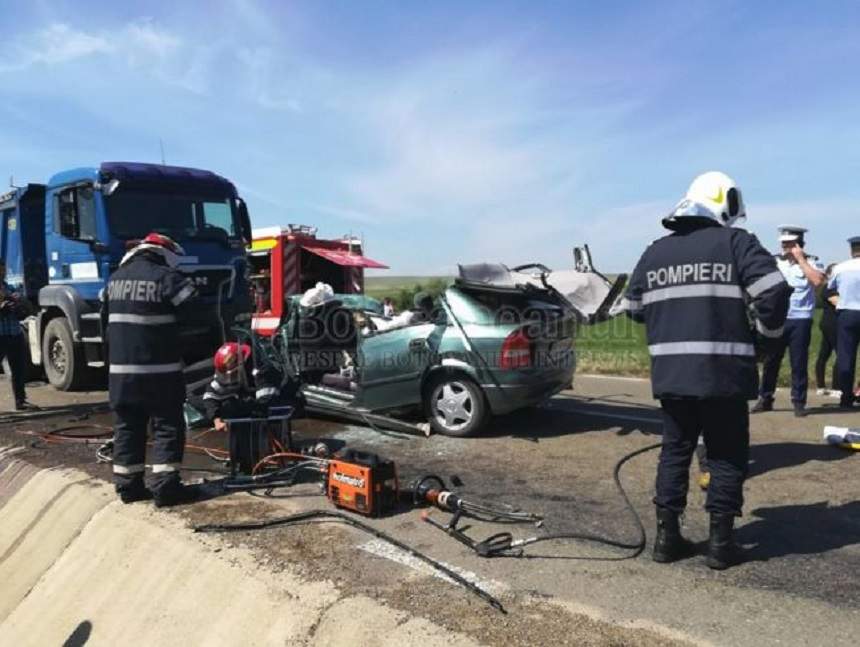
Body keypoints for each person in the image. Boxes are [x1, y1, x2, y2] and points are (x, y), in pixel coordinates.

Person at [626, 171, 790, 570]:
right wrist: (766, 341)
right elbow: (774, 291)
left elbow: (632, 309)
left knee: (675, 452)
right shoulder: (736, 242)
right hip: (725, 376)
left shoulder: (655, 251)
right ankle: (721, 544)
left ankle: (667, 540)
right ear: (724, 202)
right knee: (726, 456)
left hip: (672, 377)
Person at [103, 233, 198, 506]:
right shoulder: (166, 277)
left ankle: (128, 486)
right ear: (165, 254)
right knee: (167, 425)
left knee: (127, 426)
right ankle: (166, 488)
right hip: (160, 372)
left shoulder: (115, 280)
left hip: (121, 374)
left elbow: (104, 326)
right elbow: (195, 312)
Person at [751, 226, 825, 417]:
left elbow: (817, 282)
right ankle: (765, 398)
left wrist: (800, 260)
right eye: (782, 243)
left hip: (800, 319)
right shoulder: (774, 262)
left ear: (798, 244)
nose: (784, 247)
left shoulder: (812, 262)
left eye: (788, 244)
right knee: (771, 360)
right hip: (778, 317)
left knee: (798, 362)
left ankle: (799, 401)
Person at [198, 342, 285, 430]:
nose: (230, 379)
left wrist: (242, 406)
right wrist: (216, 419)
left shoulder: (261, 371)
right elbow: (210, 395)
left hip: (275, 411)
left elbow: (266, 403)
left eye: (233, 374)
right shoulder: (228, 372)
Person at [828, 236, 860, 409]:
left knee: (846, 356)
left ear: (851, 250)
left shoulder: (840, 268)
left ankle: (846, 397)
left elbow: (831, 287)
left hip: (847, 312)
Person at [0, 261, 37, 411]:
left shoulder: (10, 288)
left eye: (2, 270)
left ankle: (21, 401)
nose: (1, 273)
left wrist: (20, 303)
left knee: (19, 369)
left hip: (14, 333)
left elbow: (28, 309)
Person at [814, 265, 840, 396]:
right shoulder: (828, 288)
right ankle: (836, 388)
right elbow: (837, 302)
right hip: (832, 324)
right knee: (840, 354)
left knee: (824, 353)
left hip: (829, 324)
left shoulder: (835, 287)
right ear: (829, 274)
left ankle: (821, 386)